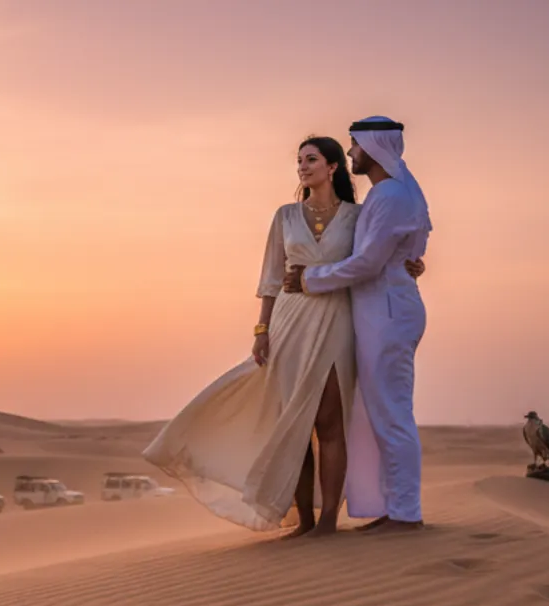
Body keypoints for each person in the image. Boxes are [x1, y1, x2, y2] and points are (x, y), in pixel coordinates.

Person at [142, 134, 423, 536]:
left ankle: (327, 521)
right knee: (293, 423)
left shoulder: (358, 216)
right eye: (299, 161)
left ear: (332, 168)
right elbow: (271, 279)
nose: (303, 167)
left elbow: (377, 256)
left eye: (312, 160)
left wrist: (412, 266)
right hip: (289, 322)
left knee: (328, 421)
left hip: (337, 321)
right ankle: (304, 521)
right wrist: (261, 330)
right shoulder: (285, 217)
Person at [282, 116, 430, 533]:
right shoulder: (396, 192)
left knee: (392, 414)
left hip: (386, 312)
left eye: (353, 147)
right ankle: (396, 507)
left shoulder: (390, 195)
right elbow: (407, 244)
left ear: (373, 146)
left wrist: (309, 280)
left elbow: (366, 262)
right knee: (380, 414)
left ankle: (405, 513)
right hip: (381, 310)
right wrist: (410, 262)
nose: (350, 155)